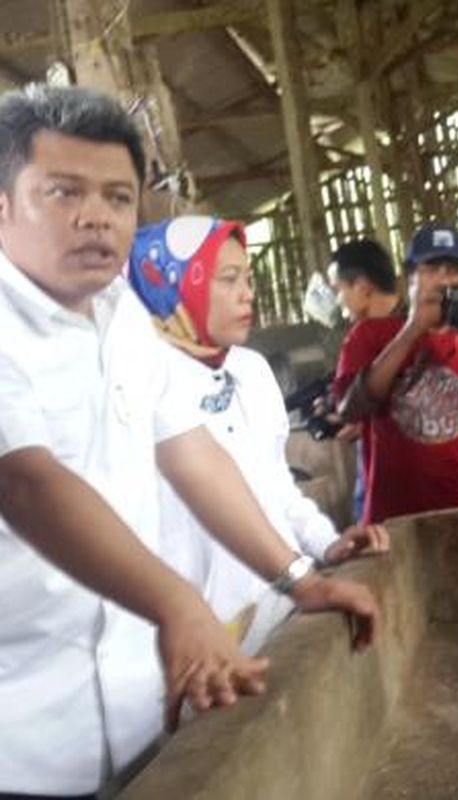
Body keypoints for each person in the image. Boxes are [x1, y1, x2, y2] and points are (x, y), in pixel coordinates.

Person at [0, 84, 378, 799]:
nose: (96, 217)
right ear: (2, 206)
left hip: (147, 709)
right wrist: (181, 605)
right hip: (21, 739)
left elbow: (190, 451)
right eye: (62, 191)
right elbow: (26, 482)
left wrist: (299, 576)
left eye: (117, 197)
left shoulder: (121, 317)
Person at [128, 216, 389, 625]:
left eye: (248, 278)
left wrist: (327, 544)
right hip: (199, 638)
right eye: (229, 279)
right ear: (175, 286)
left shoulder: (251, 371)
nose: (247, 293)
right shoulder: (137, 383)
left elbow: (277, 488)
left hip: (283, 609)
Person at [334, 223, 458, 522]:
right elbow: (351, 409)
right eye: (431, 268)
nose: (444, 279)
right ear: (409, 279)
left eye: (453, 270)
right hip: (400, 518)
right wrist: (414, 328)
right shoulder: (370, 336)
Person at [326, 238, 405, 521]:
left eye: (339, 290)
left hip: (389, 485)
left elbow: (347, 410)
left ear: (362, 287)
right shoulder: (432, 323)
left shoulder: (361, 338)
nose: (338, 300)